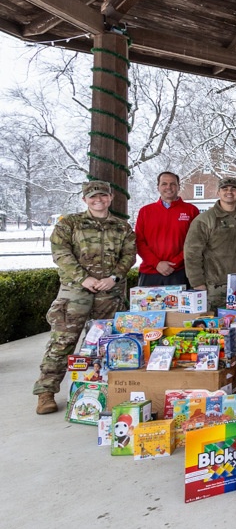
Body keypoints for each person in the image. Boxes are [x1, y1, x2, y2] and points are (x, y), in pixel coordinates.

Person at [33, 181, 136, 415]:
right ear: (84, 199)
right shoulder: (69, 224)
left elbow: (129, 255)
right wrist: (83, 278)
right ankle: (46, 392)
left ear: (110, 197)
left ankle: (103, 389)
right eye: (92, 196)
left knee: (105, 344)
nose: (98, 200)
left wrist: (114, 277)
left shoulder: (122, 227)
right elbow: (60, 253)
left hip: (109, 294)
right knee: (62, 342)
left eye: (103, 195)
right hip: (75, 294)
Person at [183, 177, 236, 308]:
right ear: (218, 193)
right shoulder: (205, 220)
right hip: (216, 288)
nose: (229, 192)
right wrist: (197, 283)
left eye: (233, 189)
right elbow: (192, 253)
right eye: (224, 189)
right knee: (216, 320)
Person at [134, 171, 199, 286]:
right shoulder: (145, 211)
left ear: (178, 187)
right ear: (158, 187)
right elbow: (139, 241)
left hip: (180, 272)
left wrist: (175, 263)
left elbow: (195, 242)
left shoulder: (191, 211)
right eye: (164, 184)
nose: (168, 187)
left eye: (173, 184)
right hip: (150, 272)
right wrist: (156, 263)